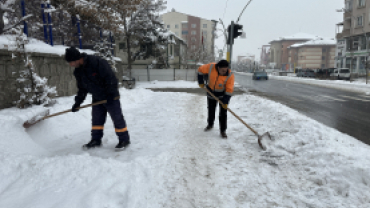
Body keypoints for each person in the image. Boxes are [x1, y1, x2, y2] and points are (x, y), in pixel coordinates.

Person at [64, 47, 130, 150]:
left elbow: (110, 78)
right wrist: (78, 103)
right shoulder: (78, 71)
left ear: (77, 59)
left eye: (71, 62)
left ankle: (124, 139)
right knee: (97, 119)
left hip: (111, 96)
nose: (70, 65)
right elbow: (82, 88)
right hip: (97, 96)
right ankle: (96, 140)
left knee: (117, 118)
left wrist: (110, 94)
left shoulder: (96, 62)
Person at [198, 60, 235, 138]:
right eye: (222, 70)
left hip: (222, 95)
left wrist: (225, 101)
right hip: (211, 92)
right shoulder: (211, 67)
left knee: (223, 113)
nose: (224, 72)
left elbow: (229, 89)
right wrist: (200, 81)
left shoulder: (230, 74)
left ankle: (223, 131)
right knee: (211, 110)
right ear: (218, 67)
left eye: (226, 70)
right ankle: (210, 125)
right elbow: (200, 70)